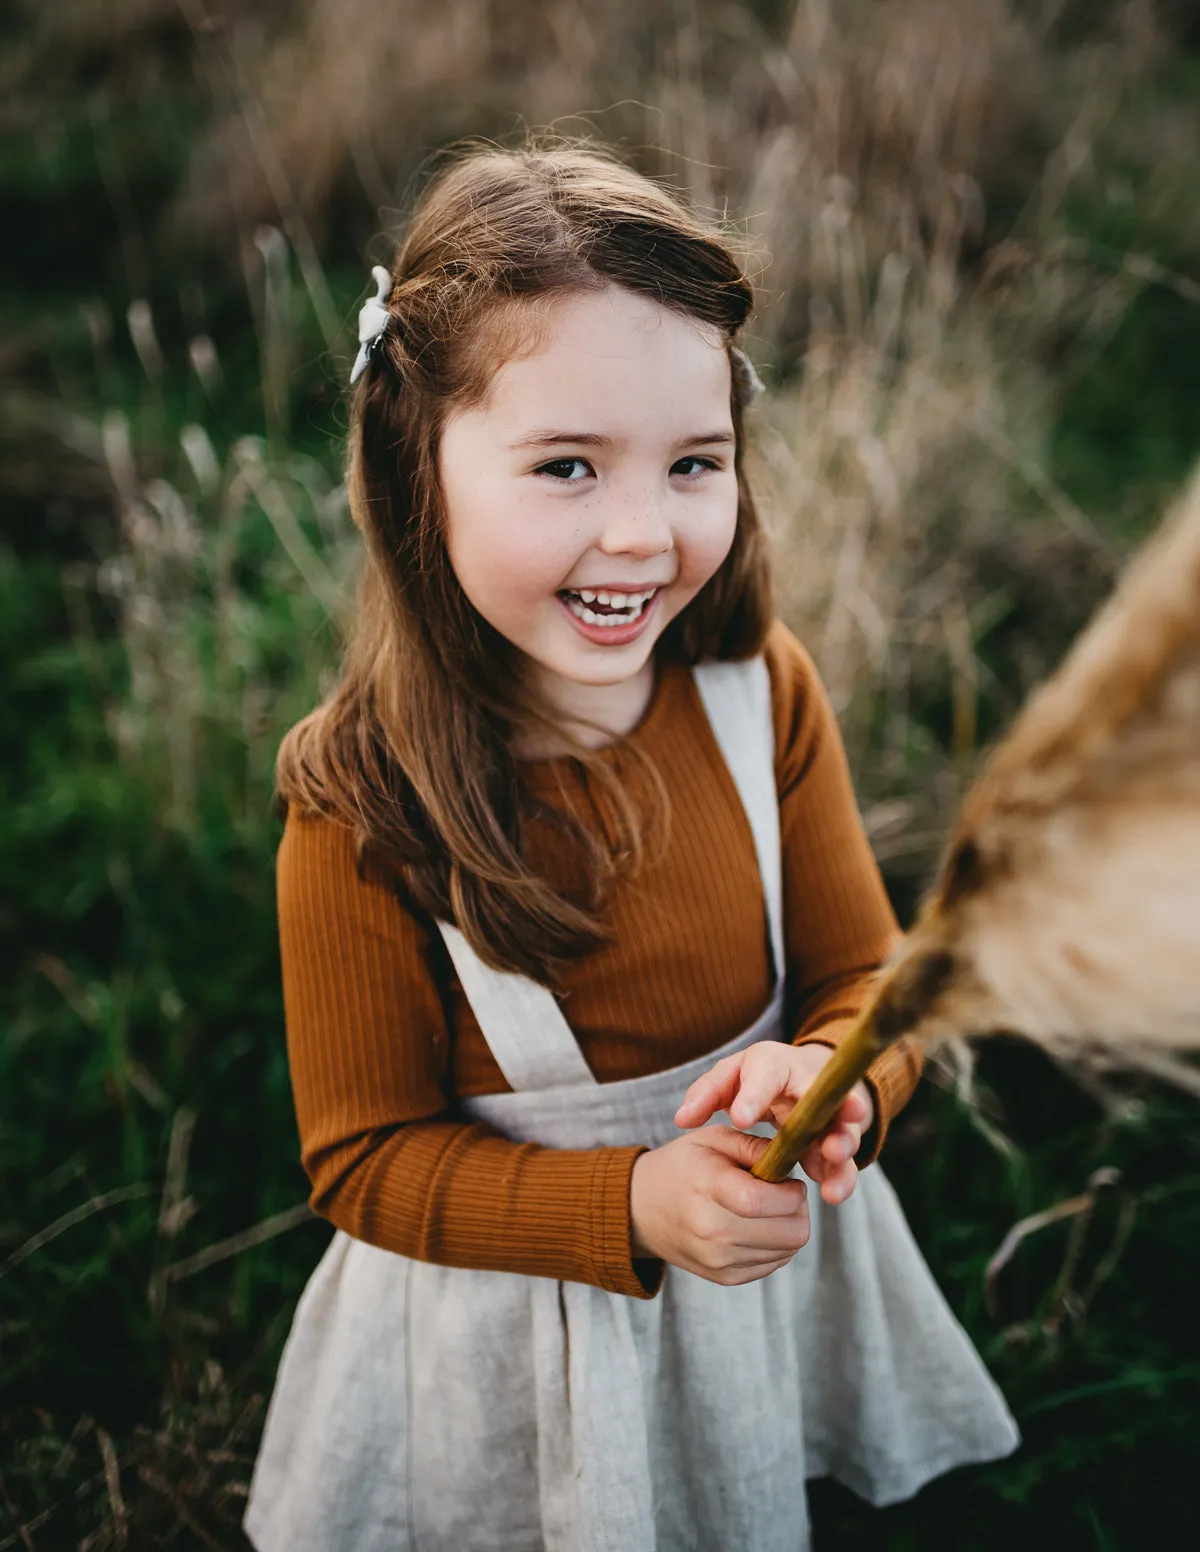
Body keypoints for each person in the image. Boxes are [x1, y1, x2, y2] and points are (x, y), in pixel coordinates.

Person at [244, 141, 1018, 1552]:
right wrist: (634, 1203)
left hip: (760, 1280)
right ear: (417, 467)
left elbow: (869, 977)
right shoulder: (360, 800)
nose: (641, 533)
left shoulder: (756, 690)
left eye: (693, 464)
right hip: (525, 1324)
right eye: (564, 466)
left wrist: (843, 1081)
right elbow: (362, 1161)